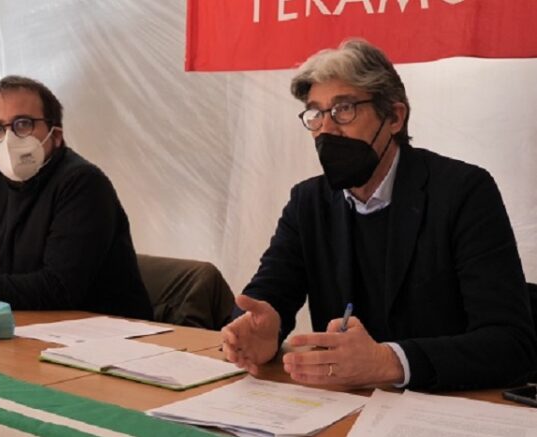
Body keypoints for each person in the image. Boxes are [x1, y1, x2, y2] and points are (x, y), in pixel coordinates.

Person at [221, 39, 537, 391]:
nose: (326, 129)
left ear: (394, 117)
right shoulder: (308, 202)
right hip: (345, 403)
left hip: (448, 401)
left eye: (343, 109)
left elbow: (511, 343)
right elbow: (268, 294)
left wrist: (389, 362)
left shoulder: (463, 192)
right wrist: (259, 329)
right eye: (316, 114)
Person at [0, 75, 153, 320]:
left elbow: (60, 287)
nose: (9, 138)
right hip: (22, 325)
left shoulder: (83, 183)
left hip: (107, 332)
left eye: (23, 124)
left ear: (55, 135)